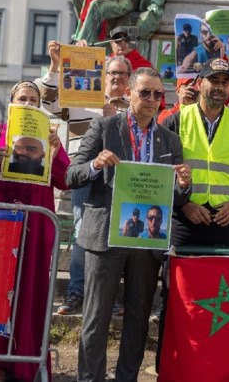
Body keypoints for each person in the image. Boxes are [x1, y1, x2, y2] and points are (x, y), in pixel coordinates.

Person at [66, 68, 188, 382]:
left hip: (146, 242)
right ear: (129, 93)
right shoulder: (105, 126)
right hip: (105, 237)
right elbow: (71, 174)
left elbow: (171, 194)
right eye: (145, 92)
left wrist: (184, 185)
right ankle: (90, 378)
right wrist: (95, 164)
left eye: (158, 94)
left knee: (137, 321)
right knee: (95, 319)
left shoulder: (170, 140)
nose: (152, 99)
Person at [157, 58, 229, 371]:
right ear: (199, 83)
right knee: (176, 299)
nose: (219, 87)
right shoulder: (176, 121)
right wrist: (183, 205)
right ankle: (171, 368)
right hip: (184, 223)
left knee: (222, 301)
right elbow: (161, 171)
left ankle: (215, 368)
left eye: (225, 82)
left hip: (225, 222)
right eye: (213, 81)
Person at [0, 81, 69, 382]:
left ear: (39, 105)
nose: (28, 103)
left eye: (33, 99)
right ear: (13, 102)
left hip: (36, 228)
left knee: (30, 295)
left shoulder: (50, 137)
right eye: (22, 98)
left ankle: (25, 365)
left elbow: (65, 180)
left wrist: (56, 149)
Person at [43, 42, 132, 316]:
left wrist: (117, 118)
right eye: (112, 72)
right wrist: (56, 66)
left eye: (121, 73)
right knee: (83, 234)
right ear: (103, 76)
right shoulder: (81, 98)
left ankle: (109, 295)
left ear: (129, 79)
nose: (116, 77)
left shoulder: (135, 107)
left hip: (121, 179)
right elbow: (48, 103)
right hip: (86, 176)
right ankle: (76, 293)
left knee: (117, 236)